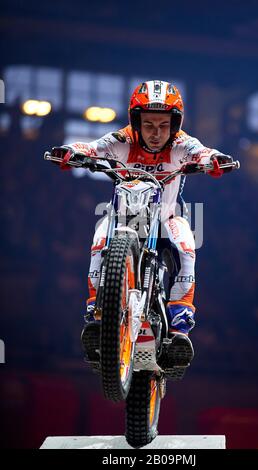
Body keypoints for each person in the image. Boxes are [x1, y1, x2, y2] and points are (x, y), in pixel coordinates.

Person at [51, 80, 233, 372]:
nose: (156, 132)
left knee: (188, 244)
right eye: (148, 124)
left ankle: (179, 327)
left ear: (175, 125)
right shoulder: (122, 140)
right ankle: (96, 314)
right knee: (99, 235)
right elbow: (93, 147)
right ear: (136, 122)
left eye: (163, 125)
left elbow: (202, 152)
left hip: (165, 220)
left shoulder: (181, 144)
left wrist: (214, 160)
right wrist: (69, 151)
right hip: (122, 218)